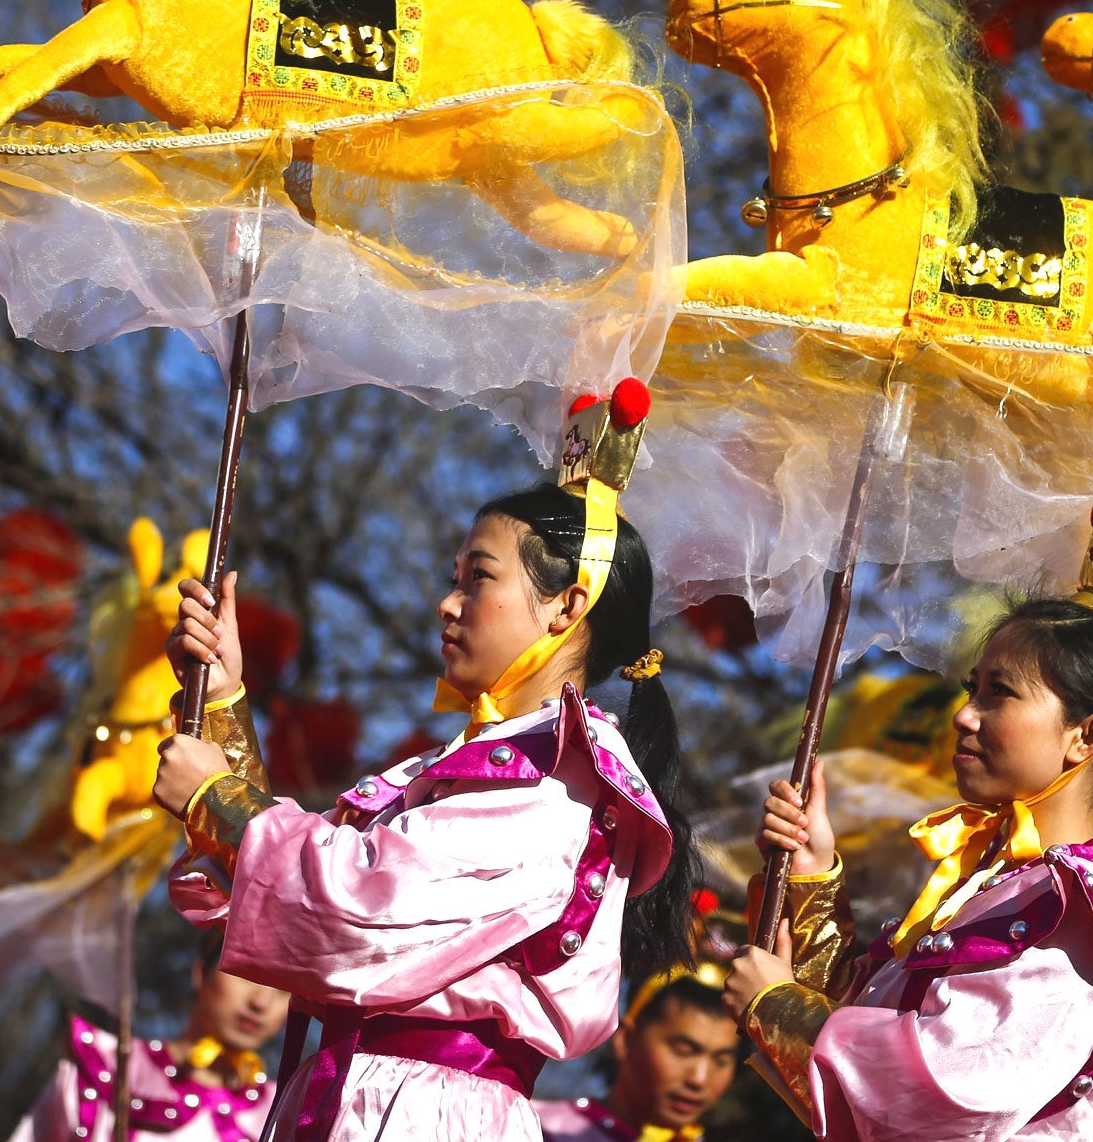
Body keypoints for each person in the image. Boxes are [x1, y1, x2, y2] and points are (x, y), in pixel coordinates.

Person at [152, 384, 698, 1142]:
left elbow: (363, 902)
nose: (448, 603)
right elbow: (326, 874)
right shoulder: (494, 765)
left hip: (424, 1113)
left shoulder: (554, 784)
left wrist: (217, 800)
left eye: (478, 577)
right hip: (371, 1096)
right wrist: (224, 698)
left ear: (565, 609)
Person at [726, 494, 1093, 1141]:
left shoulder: (1081, 908)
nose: (964, 714)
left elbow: (947, 1091)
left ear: (1086, 736)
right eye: (972, 688)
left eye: (999, 693)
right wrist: (811, 879)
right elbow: (862, 1048)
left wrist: (779, 1007)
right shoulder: (995, 880)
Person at [8, 930, 289, 1142]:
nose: (260, 1002)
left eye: (283, 989)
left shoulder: (287, 1115)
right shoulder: (107, 1068)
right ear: (201, 973)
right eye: (246, 974)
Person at [534, 966, 741, 1141]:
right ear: (625, 1039)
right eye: (683, 1051)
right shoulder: (535, 1130)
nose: (699, 1079)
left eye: (721, 1061)